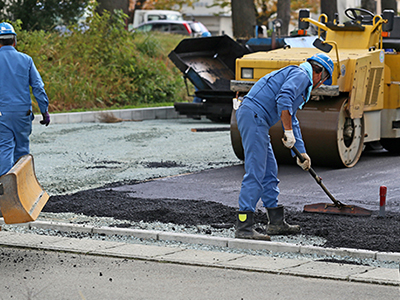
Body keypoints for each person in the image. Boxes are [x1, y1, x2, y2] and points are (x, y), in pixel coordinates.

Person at [235, 53, 334, 240]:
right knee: (256, 171)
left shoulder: (299, 76)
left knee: (269, 171)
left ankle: (275, 222)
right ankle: (244, 226)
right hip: (253, 116)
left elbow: (292, 118)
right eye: (324, 80)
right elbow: (284, 99)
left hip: (257, 119)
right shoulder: (302, 75)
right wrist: (287, 131)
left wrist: (301, 153)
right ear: (320, 74)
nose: (320, 85)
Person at [0, 22, 50, 176]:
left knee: (4, 149)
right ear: (14, 40)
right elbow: (38, 88)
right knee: (22, 151)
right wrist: (44, 111)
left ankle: (4, 190)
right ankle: (23, 187)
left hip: (2, 114)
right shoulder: (26, 60)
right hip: (23, 114)